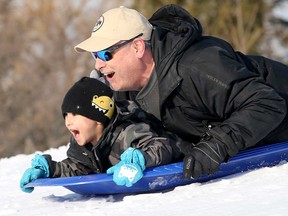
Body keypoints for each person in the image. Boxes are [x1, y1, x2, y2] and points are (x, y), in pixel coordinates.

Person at [74, 5, 288, 180]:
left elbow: (266, 103)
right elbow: (112, 137)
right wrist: (76, 163)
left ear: (138, 47)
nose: (99, 65)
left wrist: (218, 143)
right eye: (95, 55)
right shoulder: (124, 90)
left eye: (106, 54)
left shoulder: (197, 65)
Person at [20, 77, 182, 193]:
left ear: (98, 117)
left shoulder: (128, 132)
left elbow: (161, 146)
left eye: (75, 115)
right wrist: (51, 170)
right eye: (66, 116)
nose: (68, 122)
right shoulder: (83, 145)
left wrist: (140, 159)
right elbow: (78, 168)